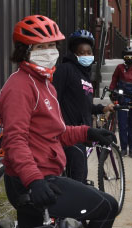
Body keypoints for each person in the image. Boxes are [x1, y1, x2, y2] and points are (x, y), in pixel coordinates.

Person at [0, 15, 118, 228]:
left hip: (44, 174)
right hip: (31, 180)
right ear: (25, 50)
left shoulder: (46, 84)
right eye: (42, 46)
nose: (50, 51)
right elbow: (15, 141)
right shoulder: (19, 87)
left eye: (53, 45)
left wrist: (87, 133)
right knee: (107, 205)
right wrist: (34, 180)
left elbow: (57, 132)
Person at [53, 29, 114, 184]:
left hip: (82, 134)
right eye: (82, 52)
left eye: (89, 52)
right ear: (74, 54)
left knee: (77, 178)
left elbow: (84, 105)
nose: (86, 55)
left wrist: (102, 108)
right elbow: (53, 99)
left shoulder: (85, 75)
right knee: (78, 181)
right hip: (69, 134)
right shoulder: (65, 70)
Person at [109, 47, 132, 158]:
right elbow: (114, 80)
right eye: (127, 56)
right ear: (123, 57)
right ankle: (123, 148)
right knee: (122, 124)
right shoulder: (120, 68)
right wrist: (112, 92)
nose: (130, 58)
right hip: (122, 100)